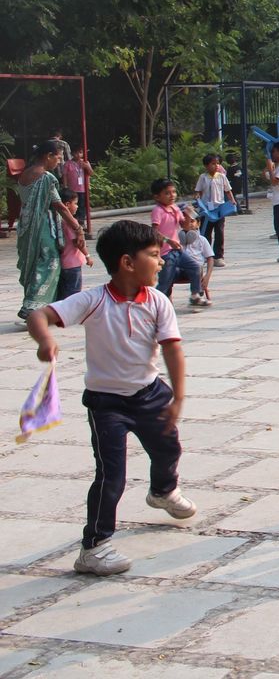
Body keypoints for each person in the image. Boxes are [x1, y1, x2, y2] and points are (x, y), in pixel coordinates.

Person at [27, 219, 198, 575]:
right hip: (107, 403)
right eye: (154, 255)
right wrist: (45, 340)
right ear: (127, 262)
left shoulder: (158, 302)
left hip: (151, 395)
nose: (162, 261)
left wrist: (178, 398)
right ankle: (94, 547)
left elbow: (172, 351)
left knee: (169, 449)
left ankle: (163, 492)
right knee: (111, 476)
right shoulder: (93, 301)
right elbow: (39, 315)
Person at [14, 141, 82, 321]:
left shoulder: (24, 175)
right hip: (41, 227)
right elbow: (59, 205)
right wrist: (77, 227)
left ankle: (36, 305)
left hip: (25, 227)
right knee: (48, 262)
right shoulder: (46, 178)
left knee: (32, 263)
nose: (59, 161)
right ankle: (32, 306)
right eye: (58, 157)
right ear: (48, 156)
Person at [149, 179, 206, 307]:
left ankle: (195, 295)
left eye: (173, 192)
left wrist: (189, 214)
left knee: (195, 267)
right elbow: (154, 232)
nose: (172, 195)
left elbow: (185, 226)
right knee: (165, 282)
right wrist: (168, 241)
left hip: (177, 251)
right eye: (167, 193)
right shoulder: (158, 211)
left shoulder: (174, 208)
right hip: (165, 253)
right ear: (157, 197)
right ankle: (153, 304)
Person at [193, 154, 232, 265]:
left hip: (219, 208)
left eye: (218, 163)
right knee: (206, 232)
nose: (216, 166)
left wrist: (232, 201)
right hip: (206, 210)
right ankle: (206, 255)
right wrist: (197, 198)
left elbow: (228, 190)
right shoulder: (203, 177)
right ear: (206, 165)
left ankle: (218, 256)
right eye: (213, 163)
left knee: (219, 232)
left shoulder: (222, 176)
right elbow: (199, 191)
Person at [55, 191, 91, 299]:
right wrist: (87, 256)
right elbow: (78, 243)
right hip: (73, 264)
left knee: (64, 292)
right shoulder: (70, 222)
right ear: (66, 205)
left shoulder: (59, 221)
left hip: (64, 262)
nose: (77, 206)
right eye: (75, 203)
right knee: (73, 293)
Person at [178, 207, 216, 305]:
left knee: (197, 267)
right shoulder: (177, 240)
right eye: (185, 221)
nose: (189, 224)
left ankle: (196, 295)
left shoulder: (202, 240)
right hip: (180, 270)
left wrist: (207, 277)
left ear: (198, 223)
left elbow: (210, 258)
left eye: (192, 221)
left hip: (196, 271)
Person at [60, 147, 92, 235]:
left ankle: (81, 222)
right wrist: (65, 186)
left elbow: (91, 173)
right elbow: (65, 176)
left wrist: (87, 167)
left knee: (82, 206)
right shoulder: (68, 164)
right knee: (73, 206)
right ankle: (73, 221)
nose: (78, 155)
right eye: (76, 153)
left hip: (83, 188)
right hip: (72, 189)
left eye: (80, 152)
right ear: (72, 153)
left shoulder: (85, 162)